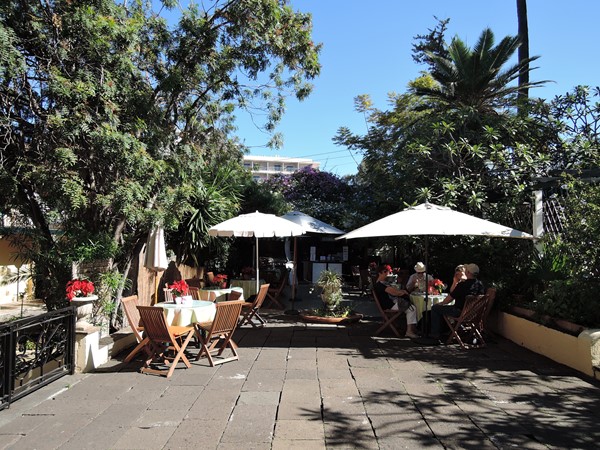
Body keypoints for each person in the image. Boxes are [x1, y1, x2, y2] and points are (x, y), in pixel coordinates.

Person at [430, 263, 485, 339]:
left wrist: (441, 303)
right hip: (474, 314)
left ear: (468, 272)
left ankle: (435, 334)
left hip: (460, 312)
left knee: (435, 308)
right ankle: (451, 330)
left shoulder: (463, 285)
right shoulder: (480, 284)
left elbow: (449, 299)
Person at [373, 264, 419, 339]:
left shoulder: (381, 283)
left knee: (411, 305)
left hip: (389, 303)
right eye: (385, 272)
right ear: (380, 273)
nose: (387, 274)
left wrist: (402, 291)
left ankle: (412, 328)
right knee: (412, 308)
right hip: (389, 305)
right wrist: (403, 292)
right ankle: (409, 331)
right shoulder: (380, 285)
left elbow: (395, 291)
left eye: (387, 272)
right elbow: (395, 293)